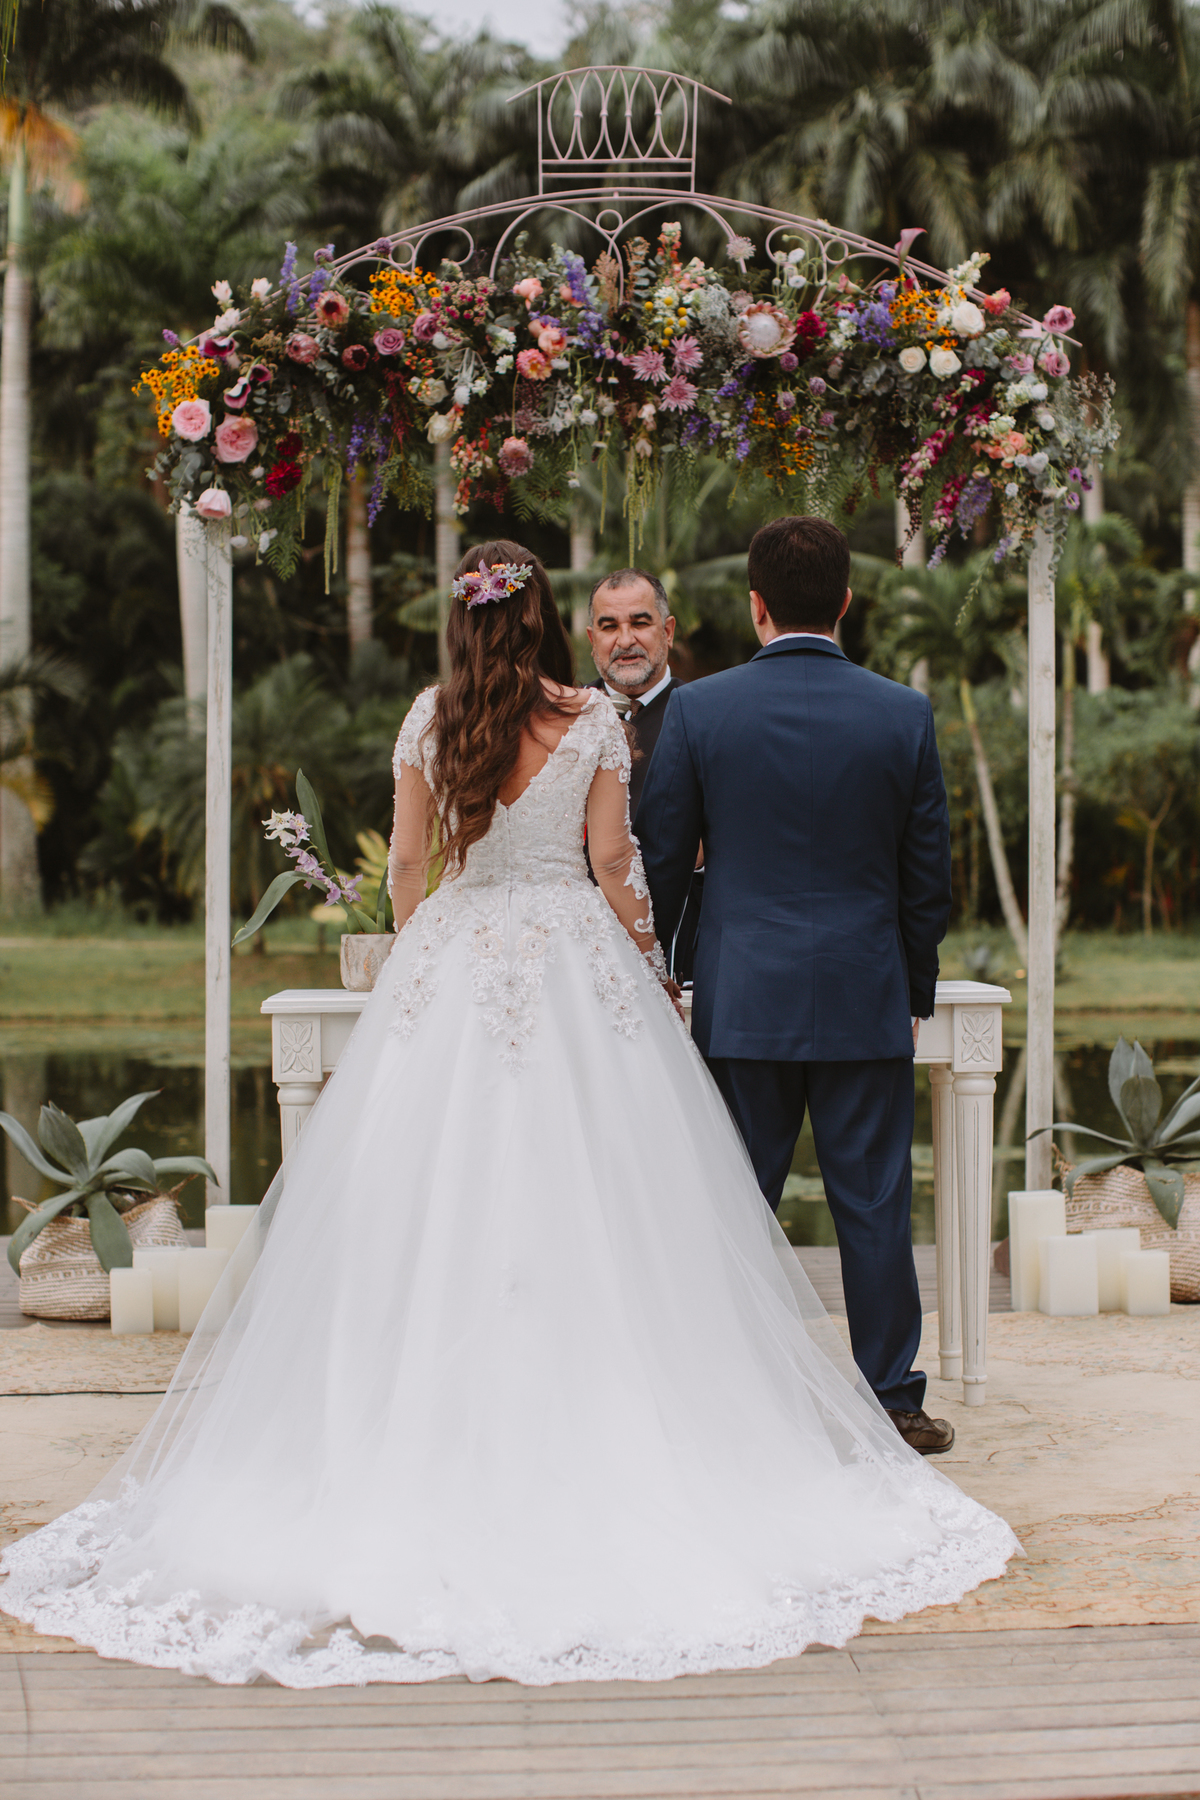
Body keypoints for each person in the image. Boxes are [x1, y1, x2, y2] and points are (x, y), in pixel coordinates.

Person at [0, 538, 1016, 1688]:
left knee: (426, 1204)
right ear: (544, 622)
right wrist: (650, 963)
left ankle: (407, 1429)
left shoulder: (438, 721)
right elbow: (623, 863)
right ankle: (825, 1406)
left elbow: (412, 872)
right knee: (669, 1207)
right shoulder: (608, 720)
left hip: (463, 965)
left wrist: (431, 934)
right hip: (624, 971)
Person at [635, 515, 954, 1455]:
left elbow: (659, 860)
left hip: (743, 998)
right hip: (864, 994)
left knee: (732, 1204)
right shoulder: (904, 711)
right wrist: (914, 987)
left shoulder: (699, 709)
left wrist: (659, 973)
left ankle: (710, 1390)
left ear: (756, 605)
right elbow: (926, 874)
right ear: (847, 602)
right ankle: (895, 1398)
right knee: (876, 1209)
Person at [587, 567, 700, 978]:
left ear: (667, 630)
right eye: (609, 626)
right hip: (575, 947)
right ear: (591, 639)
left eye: (640, 622)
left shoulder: (704, 715)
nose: (626, 640)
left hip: (680, 942)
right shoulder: (559, 720)